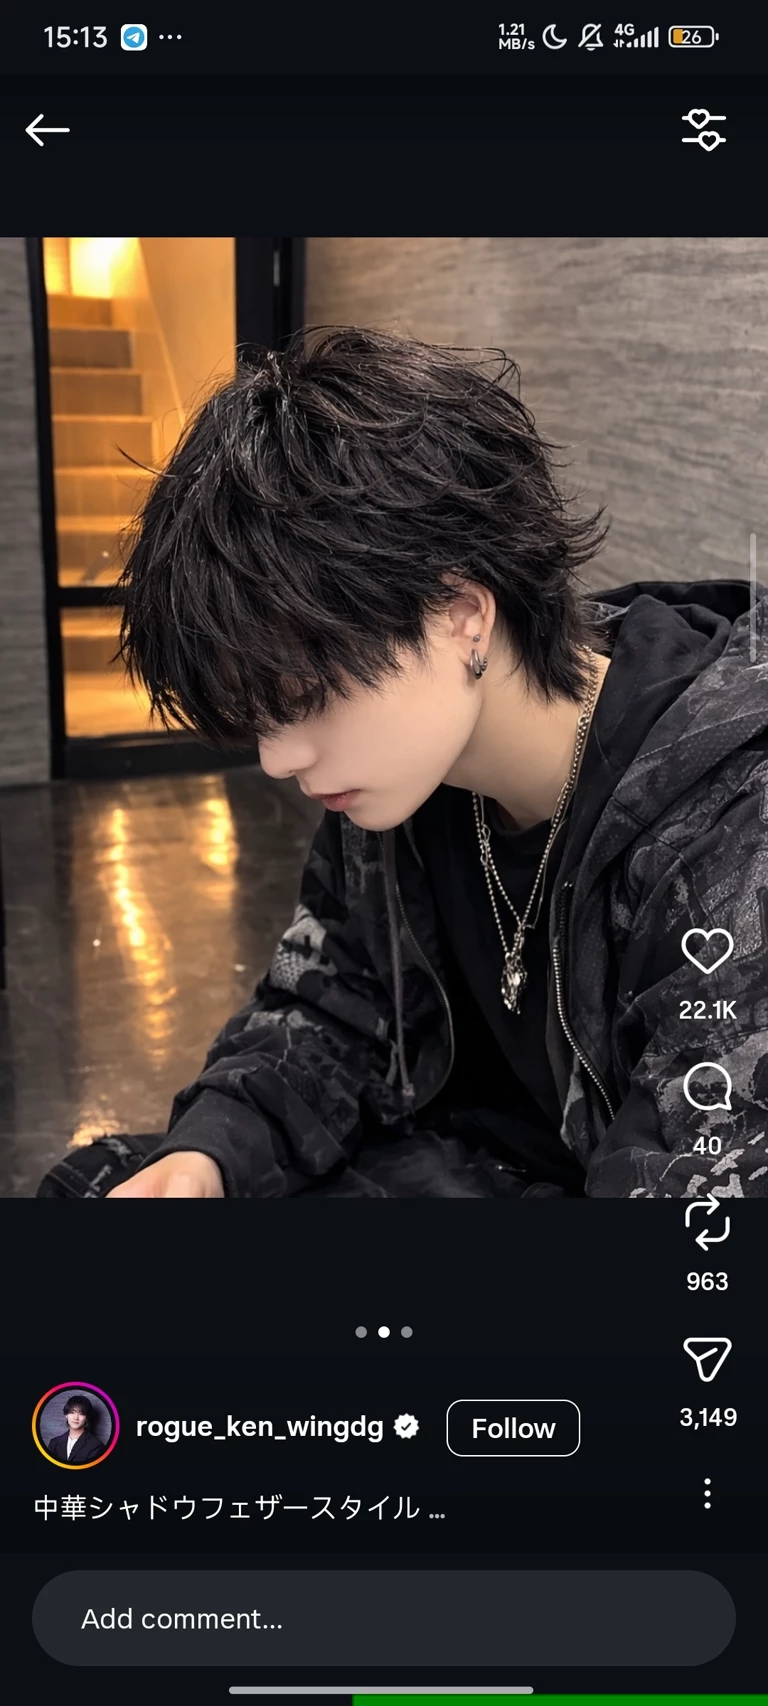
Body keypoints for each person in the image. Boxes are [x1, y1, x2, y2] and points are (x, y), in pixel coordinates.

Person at [103, 325, 768, 1200]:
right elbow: (336, 999)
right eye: (257, 716)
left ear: (461, 615)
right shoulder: (399, 783)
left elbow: (699, 1192)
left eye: (305, 697)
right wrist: (208, 1155)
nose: (277, 758)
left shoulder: (733, 828)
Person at [45, 1394, 106, 1464]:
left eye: (81, 1413)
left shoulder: (96, 1446)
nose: (76, 1418)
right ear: (66, 1415)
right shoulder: (54, 1443)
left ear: (87, 1417)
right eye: (72, 1412)